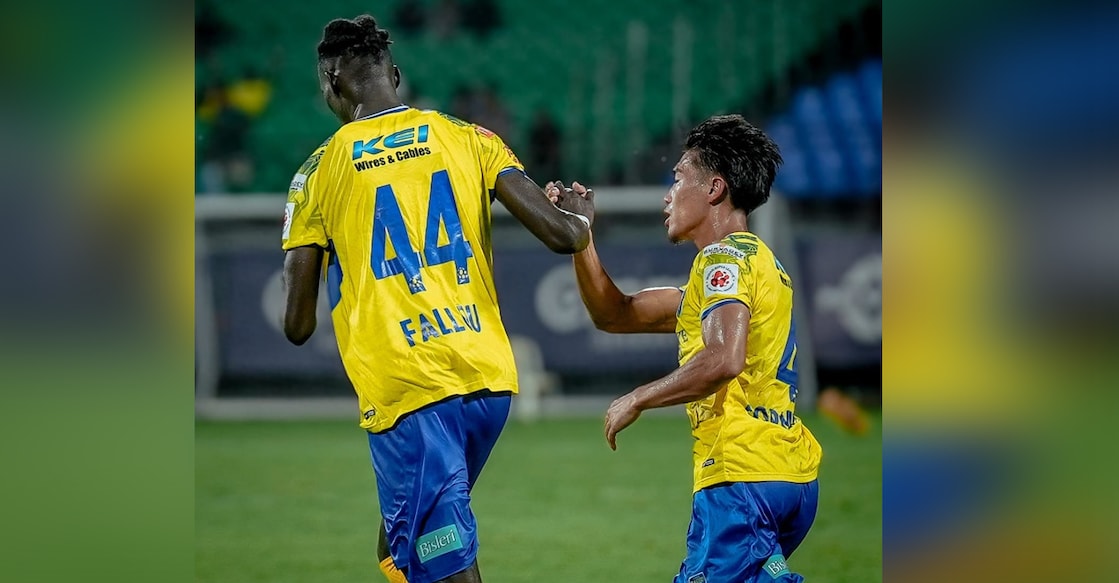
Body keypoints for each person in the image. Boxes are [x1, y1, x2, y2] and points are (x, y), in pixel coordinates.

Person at [280, 14, 590, 583]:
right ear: (394, 75)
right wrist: (582, 219)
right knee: (401, 544)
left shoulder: (318, 173)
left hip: (409, 389)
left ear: (332, 86)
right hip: (487, 381)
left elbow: (297, 323)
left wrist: (326, 254)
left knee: (444, 563)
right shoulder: (469, 137)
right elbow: (565, 234)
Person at [548, 115, 823, 582]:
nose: (667, 194)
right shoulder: (753, 264)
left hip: (741, 474)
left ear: (714, 189)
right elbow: (614, 314)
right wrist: (581, 236)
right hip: (788, 473)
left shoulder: (724, 260)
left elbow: (723, 359)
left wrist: (638, 398)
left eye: (677, 178)